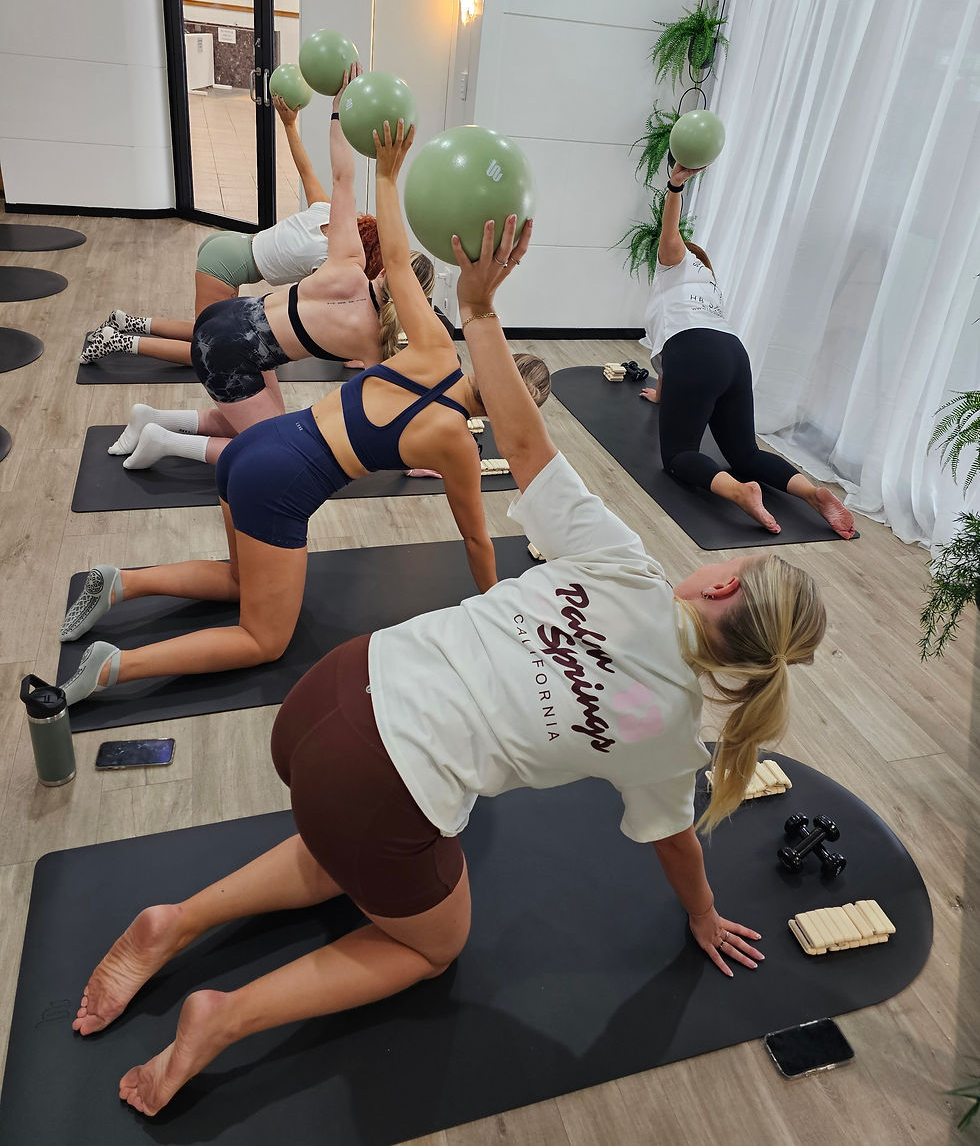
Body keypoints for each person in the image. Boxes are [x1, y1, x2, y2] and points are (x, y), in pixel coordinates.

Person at [69, 197, 826, 1119]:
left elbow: (524, 438)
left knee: (357, 842)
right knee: (431, 940)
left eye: (729, 562)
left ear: (715, 592)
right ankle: (225, 1014)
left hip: (329, 696)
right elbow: (673, 836)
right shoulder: (665, 729)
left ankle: (173, 920)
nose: (716, 560)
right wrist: (702, 914)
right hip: (374, 778)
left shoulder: (622, 564)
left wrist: (478, 311)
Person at [56, 120, 550, 706]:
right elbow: (477, 544)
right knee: (262, 639)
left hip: (253, 450)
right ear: (506, 416)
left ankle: (121, 584)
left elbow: (394, 259)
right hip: (278, 485)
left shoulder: (434, 348)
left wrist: (388, 176)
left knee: (244, 580)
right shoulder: (458, 445)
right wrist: (499, 610)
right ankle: (115, 667)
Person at [106, 69, 436, 472]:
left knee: (260, 418)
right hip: (228, 353)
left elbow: (342, 178)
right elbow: (390, 410)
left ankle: (153, 419)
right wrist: (414, 461)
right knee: (277, 452)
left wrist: (339, 112)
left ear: (384, 271)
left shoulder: (348, 262)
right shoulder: (374, 344)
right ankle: (164, 442)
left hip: (232, 316)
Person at [638, 164, 855, 538]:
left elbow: (670, 234)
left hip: (694, 352)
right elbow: (679, 357)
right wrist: (662, 394)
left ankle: (740, 492)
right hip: (733, 355)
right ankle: (810, 493)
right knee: (744, 454)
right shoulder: (708, 285)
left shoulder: (673, 265)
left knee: (678, 456)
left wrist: (674, 185)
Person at [80, 92, 357, 368]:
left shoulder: (326, 210)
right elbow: (329, 313)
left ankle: (125, 322)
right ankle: (116, 341)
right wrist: (355, 352)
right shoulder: (329, 261)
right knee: (208, 351)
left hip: (230, 244)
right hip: (226, 265)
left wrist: (288, 125)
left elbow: (305, 169)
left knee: (210, 328)